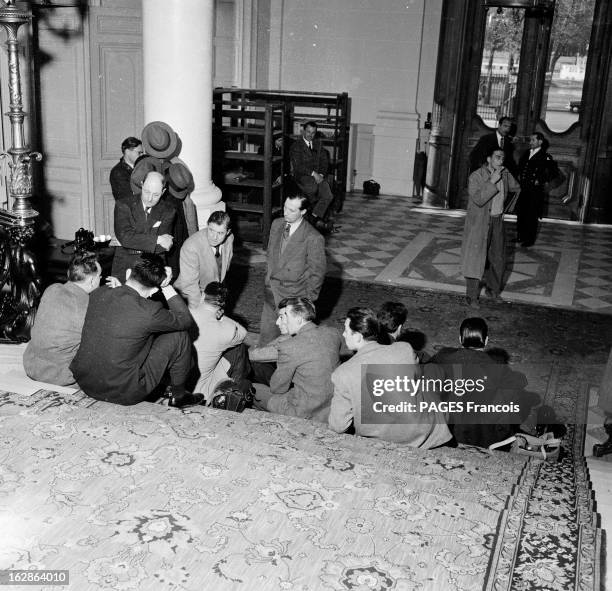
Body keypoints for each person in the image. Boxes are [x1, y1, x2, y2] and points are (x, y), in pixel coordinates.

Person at [71, 253, 202, 407]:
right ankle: (179, 395)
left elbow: (124, 312)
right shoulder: (149, 310)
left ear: (128, 274)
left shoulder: (99, 293)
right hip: (122, 392)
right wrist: (166, 286)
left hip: (86, 382)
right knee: (179, 336)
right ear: (154, 290)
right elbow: (185, 320)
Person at [328, 307, 451, 447]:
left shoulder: (342, 373)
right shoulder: (404, 348)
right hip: (424, 433)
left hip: (379, 442)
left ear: (357, 336)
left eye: (346, 330)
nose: (343, 334)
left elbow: (338, 426)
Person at [429, 317, 528, 449]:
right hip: (479, 434)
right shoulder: (495, 365)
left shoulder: (443, 356)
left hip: (444, 427)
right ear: (486, 340)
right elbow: (520, 382)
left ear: (460, 339)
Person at [253, 297, 342, 422]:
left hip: (302, 411)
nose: (278, 322)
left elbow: (277, 388)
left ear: (299, 319)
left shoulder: (289, 347)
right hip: (329, 407)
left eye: (282, 317)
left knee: (250, 388)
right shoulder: (333, 333)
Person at [23, 251, 102, 386]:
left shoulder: (52, 288)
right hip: (60, 374)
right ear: (92, 280)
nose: (101, 279)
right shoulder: (89, 306)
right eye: (100, 276)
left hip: (31, 364)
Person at [258, 195, 326, 345]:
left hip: (293, 299)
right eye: (284, 207)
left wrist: (306, 303)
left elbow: (317, 274)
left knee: (291, 347)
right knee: (264, 345)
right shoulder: (277, 224)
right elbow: (271, 255)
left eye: (291, 210)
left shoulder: (313, 237)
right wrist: (267, 279)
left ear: (303, 212)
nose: (285, 213)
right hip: (271, 294)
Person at [461, 146, 520, 307]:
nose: (501, 161)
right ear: (488, 159)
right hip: (480, 223)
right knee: (475, 259)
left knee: (498, 258)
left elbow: (516, 189)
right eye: (497, 157)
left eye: (502, 158)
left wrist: (505, 209)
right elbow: (479, 199)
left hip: (497, 221)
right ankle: (471, 296)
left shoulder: (505, 173)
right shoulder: (476, 176)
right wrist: (492, 181)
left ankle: (492, 290)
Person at [189, 281, 252, 402]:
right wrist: (223, 318)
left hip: (178, 379)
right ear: (222, 304)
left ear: (203, 295)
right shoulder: (227, 330)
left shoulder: (185, 313)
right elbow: (243, 333)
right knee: (239, 348)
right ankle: (233, 393)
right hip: (200, 390)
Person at [112, 170, 176, 282]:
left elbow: (163, 247)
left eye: (156, 195)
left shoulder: (168, 210)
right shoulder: (123, 205)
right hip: (126, 264)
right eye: (146, 192)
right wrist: (158, 239)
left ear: (163, 191)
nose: (150, 198)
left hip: (153, 265)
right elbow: (125, 238)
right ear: (142, 185)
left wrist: (136, 239)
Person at [174, 211, 233, 308]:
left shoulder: (230, 239)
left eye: (220, 233)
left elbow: (223, 270)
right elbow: (190, 287)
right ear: (207, 226)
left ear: (228, 232)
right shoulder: (191, 246)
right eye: (211, 230)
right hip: (189, 297)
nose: (214, 237)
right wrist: (200, 314)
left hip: (212, 294)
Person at [516, 132, 560, 247]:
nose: (530, 142)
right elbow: (521, 167)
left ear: (540, 142)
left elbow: (554, 173)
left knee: (531, 215)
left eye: (533, 140)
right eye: (530, 140)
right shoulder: (526, 153)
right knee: (521, 212)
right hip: (524, 188)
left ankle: (529, 240)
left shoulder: (545, 156)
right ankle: (520, 236)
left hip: (535, 191)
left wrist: (541, 180)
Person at [289, 121, 335, 230]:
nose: (310, 135)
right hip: (303, 175)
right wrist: (314, 174)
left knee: (328, 195)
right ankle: (308, 216)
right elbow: (298, 167)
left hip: (318, 176)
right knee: (312, 188)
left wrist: (321, 174)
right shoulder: (296, 146)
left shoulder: (318, 144)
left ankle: (313, 217)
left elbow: (325, 161)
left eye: (313, 133)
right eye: (308, 132)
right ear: (303, 131)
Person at [109, 136, 143, 201]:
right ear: (127, 152)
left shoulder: (141, 166)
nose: (141, 155)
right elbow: (127, 196)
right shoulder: (117, 171)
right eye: (139, 153)